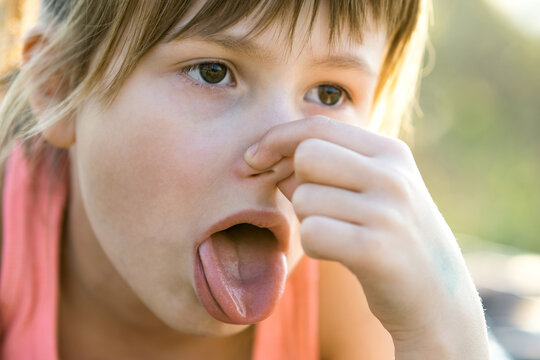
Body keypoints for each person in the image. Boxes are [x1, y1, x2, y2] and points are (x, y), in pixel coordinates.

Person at [0, 0, 490, 358]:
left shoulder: (353, 284)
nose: (281, 148)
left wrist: (443, 331)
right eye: (213, 72)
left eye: (328, 92)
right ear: (56, 81)